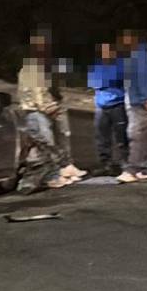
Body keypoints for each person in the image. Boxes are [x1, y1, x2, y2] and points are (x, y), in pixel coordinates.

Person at [16, 28, 87, 191]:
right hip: (36, 113)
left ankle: (59, 171)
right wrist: (49, 108)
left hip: (42, 111)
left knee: (51, 143)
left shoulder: (41, 66)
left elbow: (48, 89)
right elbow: (36, 94)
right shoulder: (32, 68)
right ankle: (51, 177)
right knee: (45, 145)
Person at [117, 29, 147, 183]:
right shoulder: (143, 56)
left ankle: (132, 170)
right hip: (143, 99)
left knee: (136, 134)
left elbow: (142, 79)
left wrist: (144, 99)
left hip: (139, 101)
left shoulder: (139, 56)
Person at [87, 42, 128, 176]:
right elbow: (94, 82)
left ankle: (126, 163)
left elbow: (120, 78)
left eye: (108, 51)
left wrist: (107, 80)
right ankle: (106, 164)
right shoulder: (97, 65)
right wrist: (111, 80)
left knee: (122, 136)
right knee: (102, 137)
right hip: (101, 107)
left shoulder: (120, 64)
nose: (106, 54)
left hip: (118, 105)